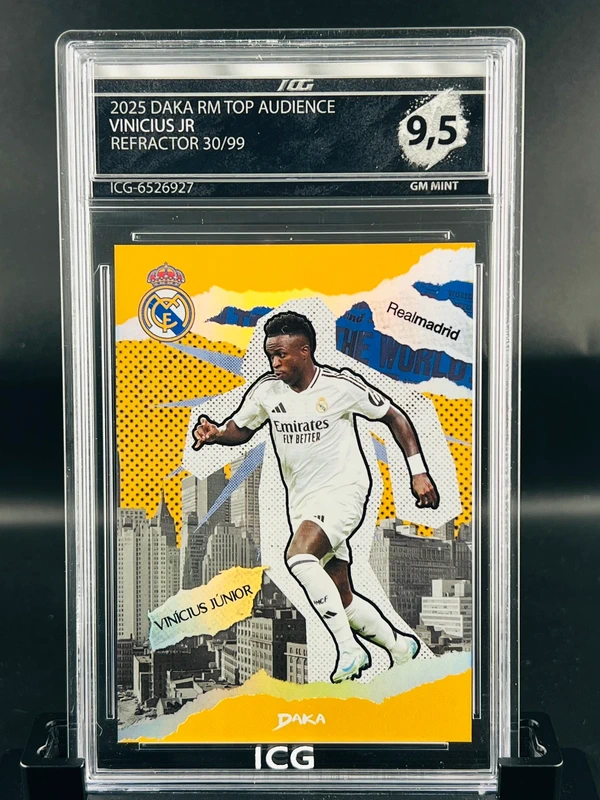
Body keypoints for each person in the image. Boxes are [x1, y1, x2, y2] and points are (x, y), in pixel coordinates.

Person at [192, 311, 440, 682]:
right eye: (270, 355)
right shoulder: (266, 392)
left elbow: (395, 417)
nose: (274, 363)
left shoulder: (340, 386)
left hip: (344, 491)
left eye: (281, 354)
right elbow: (240, 429)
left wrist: (418, 472)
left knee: (298, 556)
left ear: (305, 351)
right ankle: (401, 646)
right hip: (302, 503)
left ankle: (349, 651)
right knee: (341, 596)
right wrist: (216, 433)